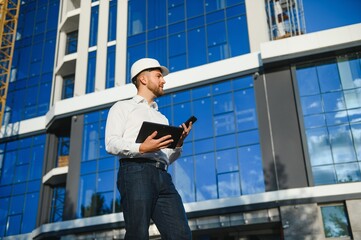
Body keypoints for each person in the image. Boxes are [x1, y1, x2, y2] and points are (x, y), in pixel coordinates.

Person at [105, 58, 193, 239]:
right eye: (159, 76)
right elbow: (111, 143)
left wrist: (178, 143)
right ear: (143, 79)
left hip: (163, 176)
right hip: (135, 172)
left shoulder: (161, 117)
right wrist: (142, 147)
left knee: (181, 234)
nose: (163, 81)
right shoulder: (122, 107)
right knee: (138, 233)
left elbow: (166, 156)